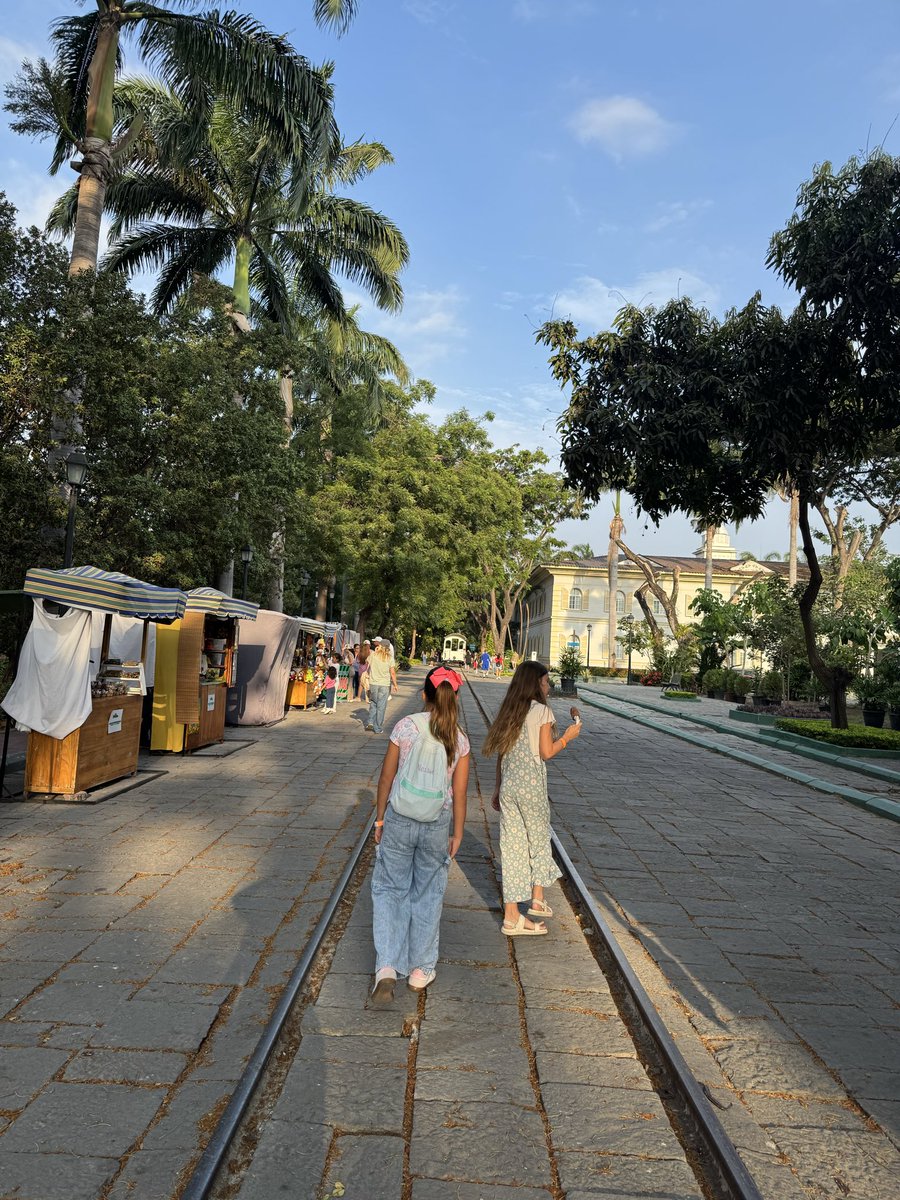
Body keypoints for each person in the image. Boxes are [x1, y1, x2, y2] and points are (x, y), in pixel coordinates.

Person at [370, 666, 469, 1004]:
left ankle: (387, 966)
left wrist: (380, 820)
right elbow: (460, 793)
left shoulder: (405, 726)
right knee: (427, 892)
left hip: (399, 817)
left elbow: (386, 778)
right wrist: (457, 833)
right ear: (455, 697)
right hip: (436, 822)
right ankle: (420, 970)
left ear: (424, 694)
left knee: (390, 888)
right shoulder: (459, 739)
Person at [483, 661, 581, 936]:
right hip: (532, 788)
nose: (548, 687)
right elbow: (546, 752)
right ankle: (537, 899)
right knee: (538, 841)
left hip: (509, 788)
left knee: (512, 847)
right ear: (535, 684)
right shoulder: (542, 711)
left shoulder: (510, 709)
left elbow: (502, 753)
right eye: (546, 682)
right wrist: (568, 736)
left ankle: (512, 916)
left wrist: (497, 787)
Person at [366, 639, 398, 733]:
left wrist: (376, 651)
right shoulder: (390, 658)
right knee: (381, 706)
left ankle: (370, 722)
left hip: (373, 683)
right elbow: (392, 673)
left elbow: (367, 663)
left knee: (373, 702)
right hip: (384, 684)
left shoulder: (373, 655)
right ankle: (378, 728)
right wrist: (395, 684)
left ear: (380, 646)